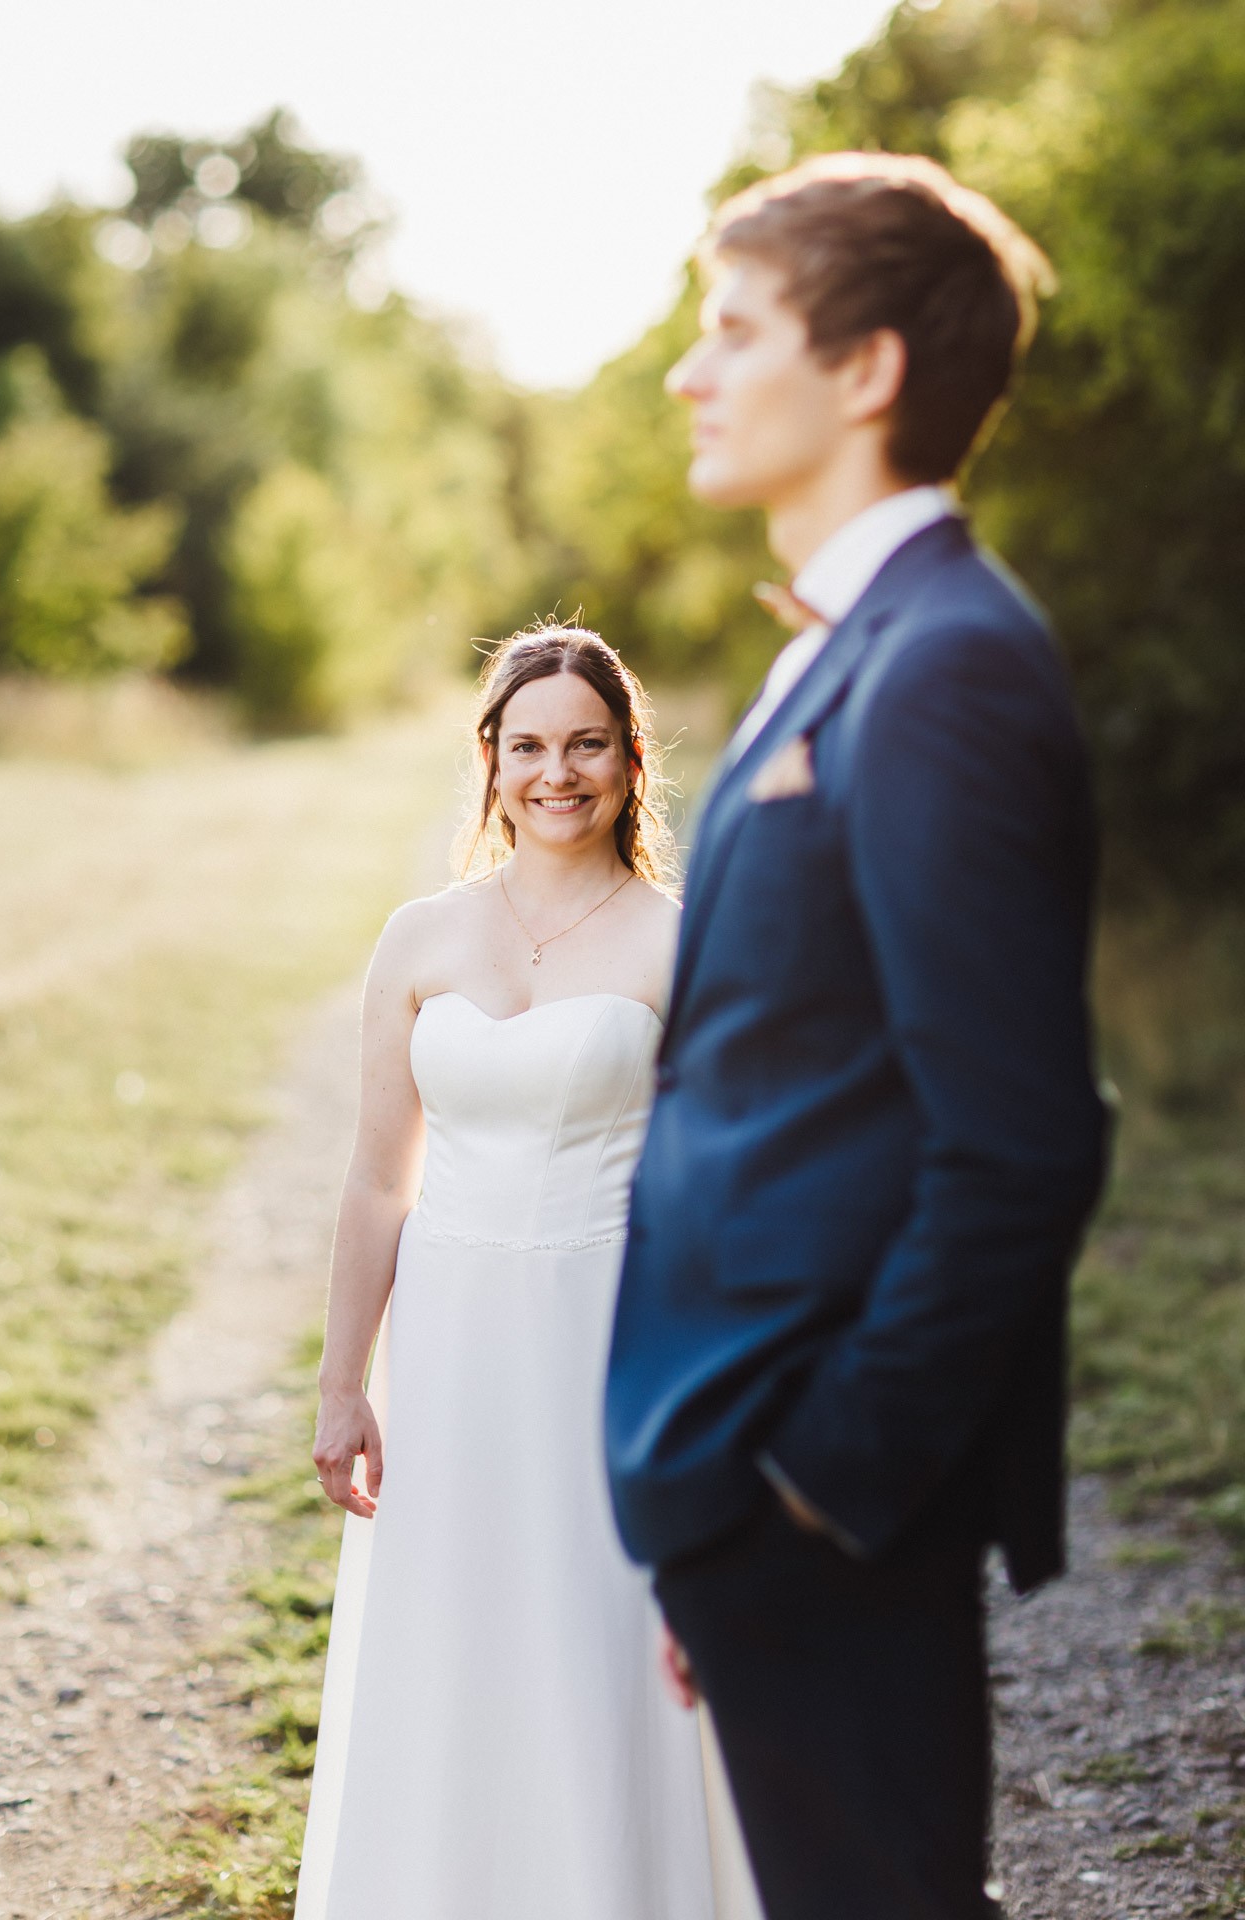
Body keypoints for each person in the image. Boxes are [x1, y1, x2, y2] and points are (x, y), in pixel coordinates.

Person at [605, 152, 1111, 1920]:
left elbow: (1023, 1141)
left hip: (822, 1487)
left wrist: (819, 1488)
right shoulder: (845, 647)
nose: (690, 371)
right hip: (737, 1479)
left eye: (733, 329)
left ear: (868, 370)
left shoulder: (948, 659)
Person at [294, 625, 760, 1920]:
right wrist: (345, 1383)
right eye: (531, 745)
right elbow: (380, 1180)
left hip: (609, 1338)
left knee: (597, 1645)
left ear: (629, 758)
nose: (560, 772)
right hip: (447, 1347)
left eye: (588, 744)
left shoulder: (684, 939)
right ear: (492, 761)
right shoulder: (423, 936)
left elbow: (719, 1197)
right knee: (452, 1653)